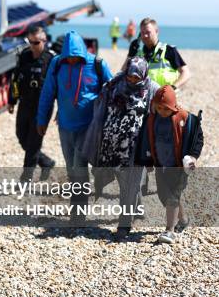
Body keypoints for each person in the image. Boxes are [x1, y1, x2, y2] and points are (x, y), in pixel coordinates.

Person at [36, 31, 113, 224]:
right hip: (65, 126)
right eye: (67, 57)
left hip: (89, 127)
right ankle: (79, 209)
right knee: (72, 169)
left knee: (80, 168)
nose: (70, 61)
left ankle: (77, 214)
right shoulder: (57, 64)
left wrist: (109, 123)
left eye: (74, 57)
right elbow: (47, 93)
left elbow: (113, 92)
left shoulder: (97, 64)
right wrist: (42, 120)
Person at [83, 57, 159, 239]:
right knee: (123, 183)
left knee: (130, 186)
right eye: (130, 76)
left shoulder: (152, 89)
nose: (132, 80)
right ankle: (137, 208)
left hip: (135, 147)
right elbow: (100, 104)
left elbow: (160, 114)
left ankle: (124, 226)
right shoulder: (116, 84)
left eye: (136, 77)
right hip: (111, 145)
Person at [137, 86, 203, 244]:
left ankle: (170, 230)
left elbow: (197, 139)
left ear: (173, 106)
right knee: (163, 195)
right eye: (159, 107)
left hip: (179, 166)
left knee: (173, 196)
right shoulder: (152, 119)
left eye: (165, 109)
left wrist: (193, 157)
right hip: (161, 164)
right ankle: (183, 219)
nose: (162, 111)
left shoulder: (187, 120)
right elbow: (146, 140)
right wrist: (147, 161)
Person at [8, 26, 56, 183]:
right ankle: (46, 162)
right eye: (30, 42)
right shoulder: (24, 56)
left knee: (34, 142)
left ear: (44, 41)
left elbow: (58, 86)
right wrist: (11, 100)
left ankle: (25, 178)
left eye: (36, 42)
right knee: (22, 137)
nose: (32, 46)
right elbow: (15, 79)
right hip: (25, 103)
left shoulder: (51, 59)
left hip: (42, 107)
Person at [127, 18, 191, 89]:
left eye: (148, 32)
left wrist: (173, 87)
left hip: (165, 97)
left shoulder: (168, 50)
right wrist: (130, 55)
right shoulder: (138, 54)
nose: (145, 36)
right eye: (142, 33)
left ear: (156, 32)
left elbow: (186, 73)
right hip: (143, 97)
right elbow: (123, 74)